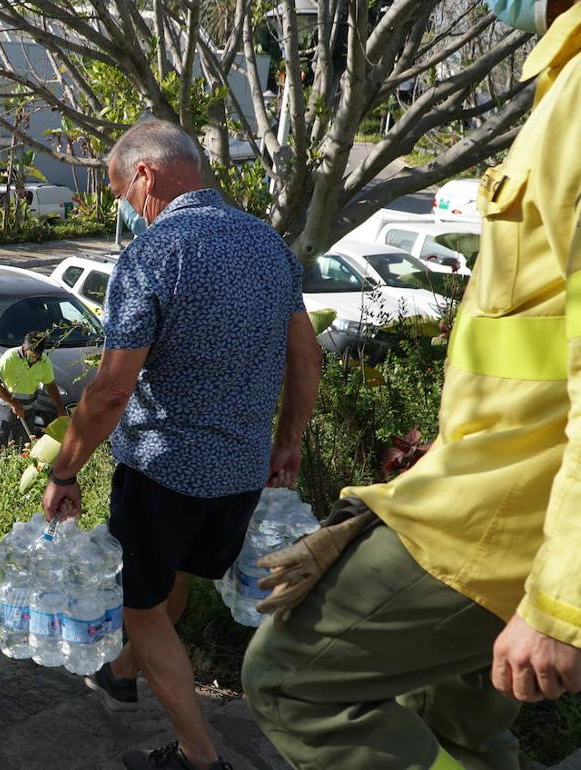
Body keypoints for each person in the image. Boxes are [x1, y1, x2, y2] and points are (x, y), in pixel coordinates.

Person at [241, 1, 581, 767]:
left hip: (514, 527)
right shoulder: (562, 80)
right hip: (501, 503)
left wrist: (563, 602)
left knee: (290, 681)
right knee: (460, 724)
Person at [41, 119, 321, 770]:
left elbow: (111, 392)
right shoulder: (268, 245)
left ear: (144, 176)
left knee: (140, 604)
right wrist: (288, 444)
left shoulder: (151, 255)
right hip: (243, 470)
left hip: (162, 472)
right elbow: (305, 359)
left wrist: (64, 471)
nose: (121, 207)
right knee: (171, 575)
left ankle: (201, 757)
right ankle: (119, 674)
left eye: (116, 188)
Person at [0, 331, 66, 453]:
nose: (34, 360)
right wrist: (14, 403)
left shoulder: (43, 361)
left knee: (24, 450)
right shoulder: (10, 356)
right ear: (25, 347)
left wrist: (60, 409)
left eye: (37, 357)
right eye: (31, 356)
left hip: (27, 412)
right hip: (3, 409)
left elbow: (51, 386)